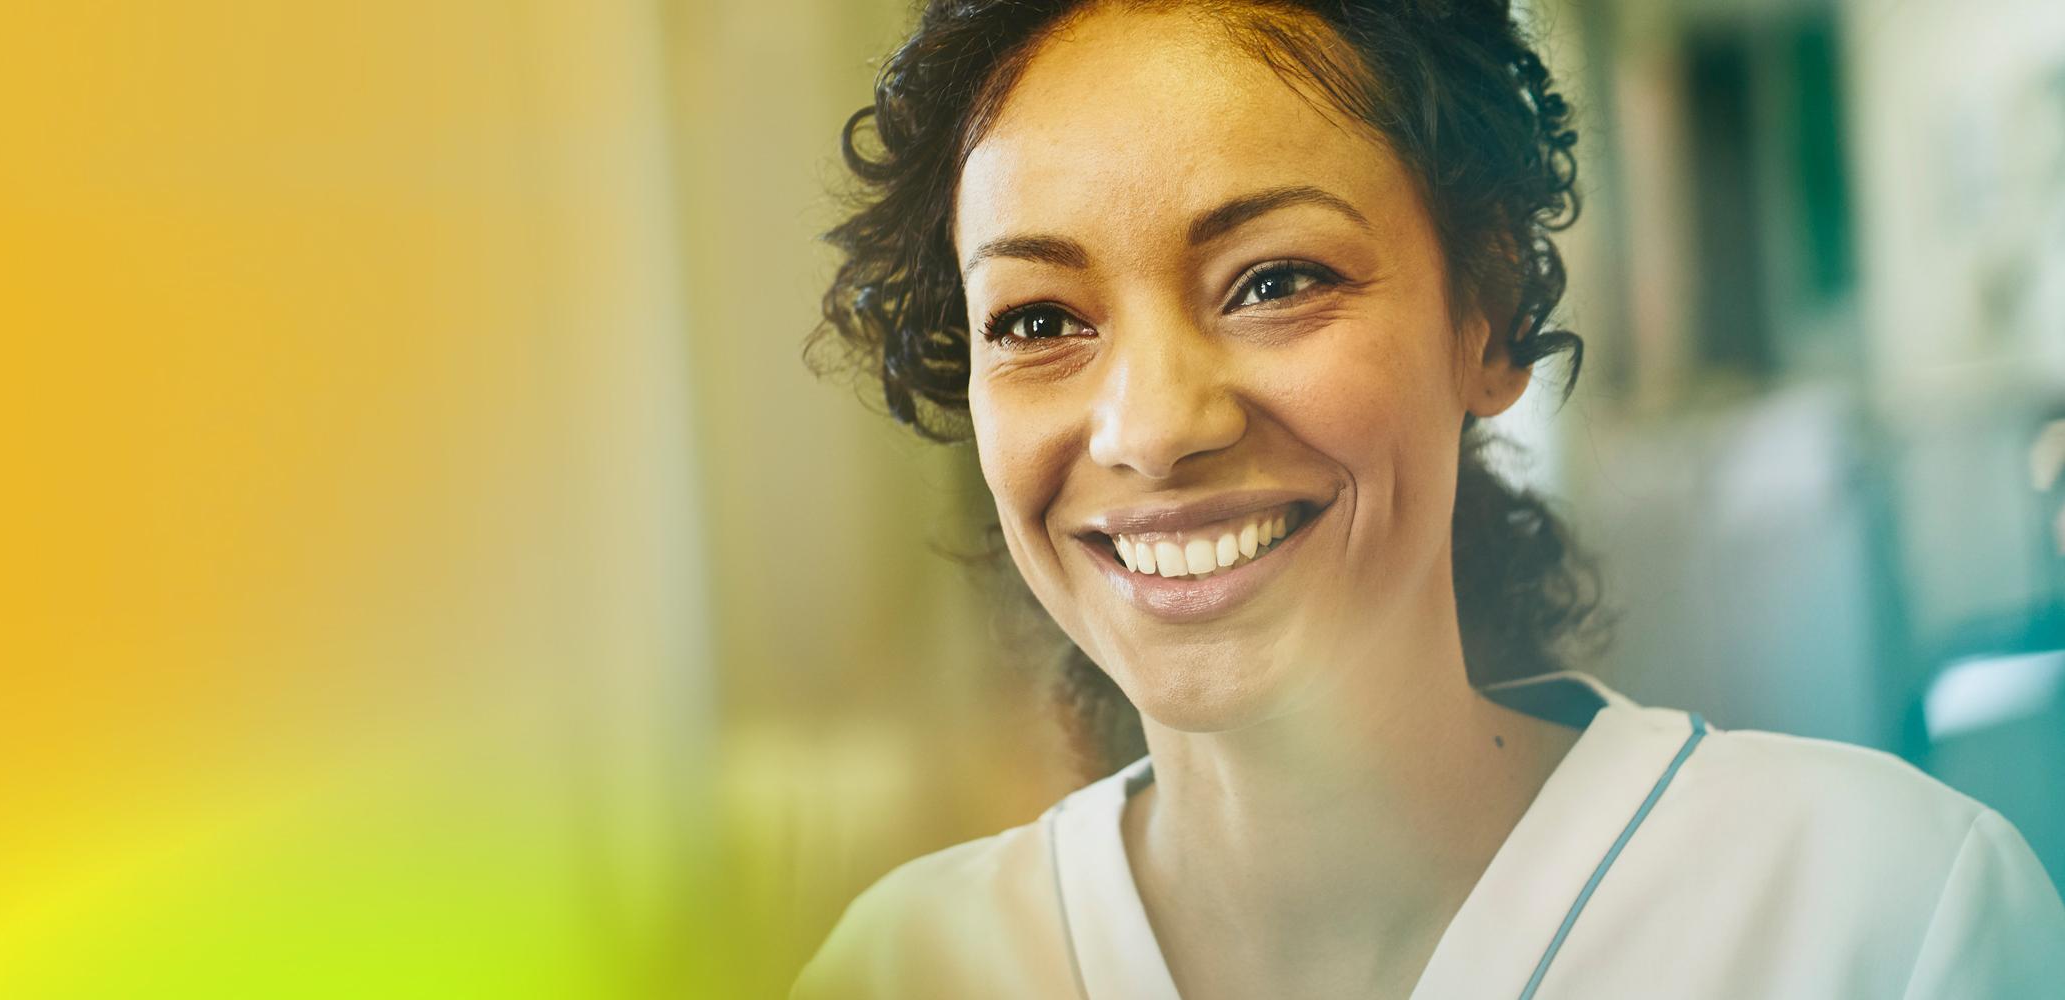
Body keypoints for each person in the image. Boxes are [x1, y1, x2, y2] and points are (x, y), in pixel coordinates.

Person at [793, 1, 2065, 996]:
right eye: (1039, 318)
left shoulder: (1883, 914)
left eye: (1274, 280)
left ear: (1489, 314)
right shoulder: (899, 969)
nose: (1154, 428)